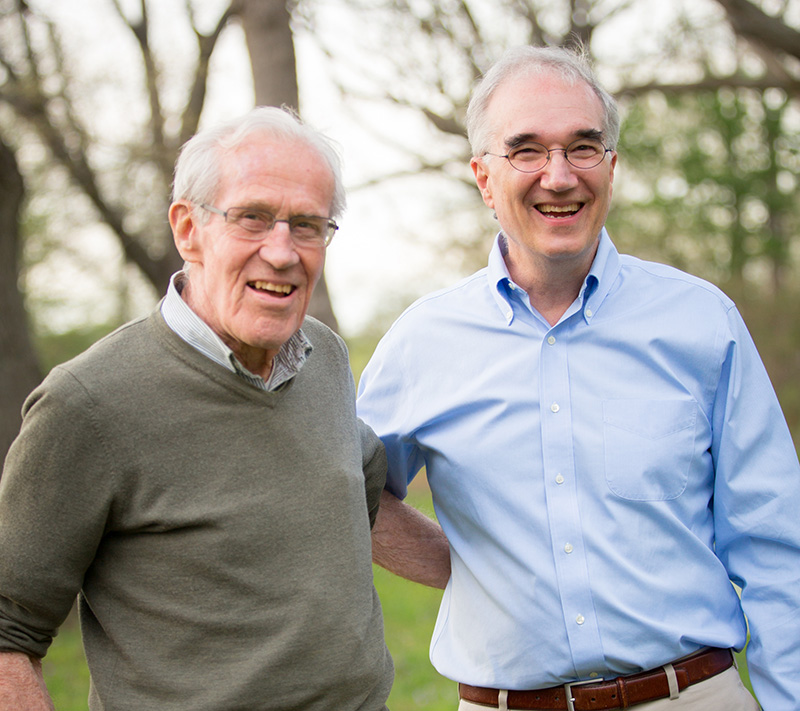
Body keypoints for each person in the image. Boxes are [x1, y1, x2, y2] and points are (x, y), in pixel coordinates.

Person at [358, 45, 800, 711]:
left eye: (582, 147)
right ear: (483, 176)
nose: (558, 176)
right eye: (527, 150)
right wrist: (471, 566)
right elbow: (350, 496)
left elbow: (776, 544)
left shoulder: (703, 322)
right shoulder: (423, 344)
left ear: (612, 168)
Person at [0, 107, 394, 710]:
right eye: (253, 219)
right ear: (188, 229)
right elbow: (8, 631)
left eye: (308, 225)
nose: (283, 252)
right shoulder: (88, 404)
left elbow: (354, 487)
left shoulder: (326, 359)